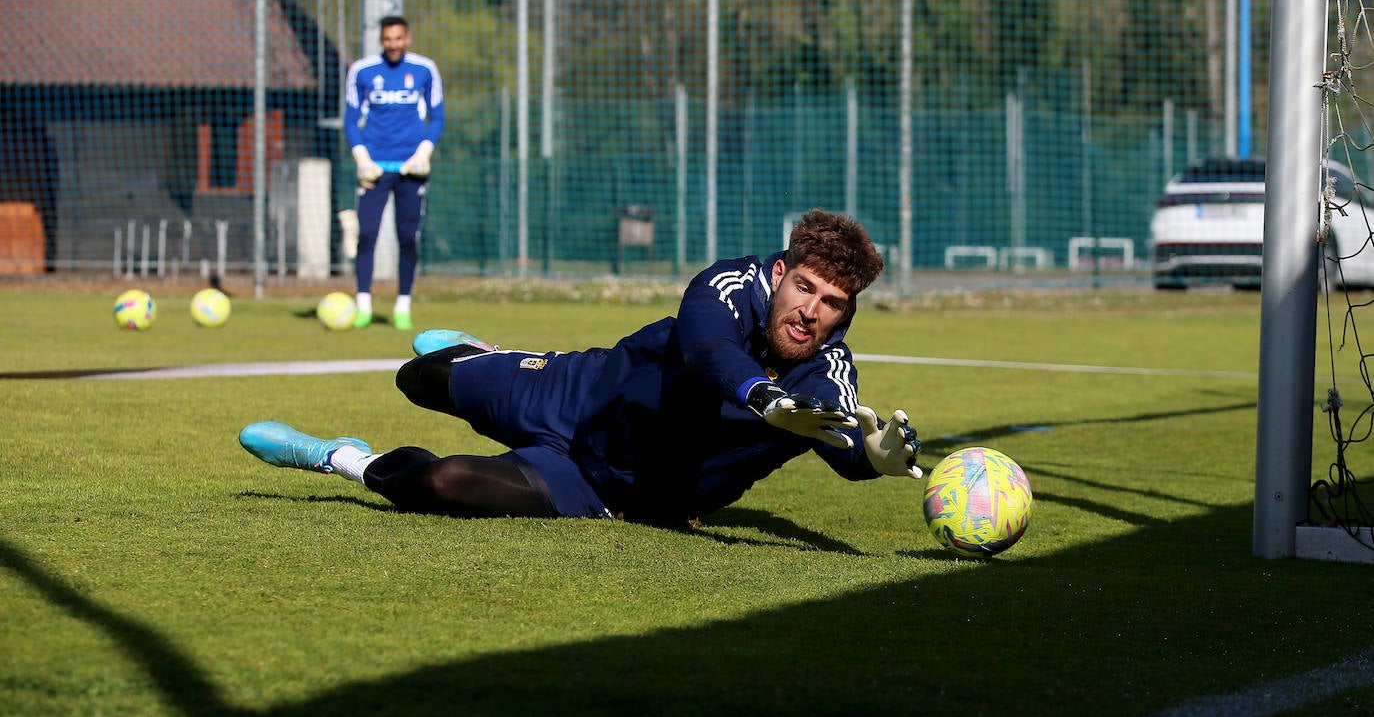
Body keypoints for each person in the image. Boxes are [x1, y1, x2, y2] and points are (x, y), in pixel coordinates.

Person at [239, 209, 922, 525]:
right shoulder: (730, 285)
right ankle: (486, 356)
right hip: (574, 390)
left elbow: (842, 434)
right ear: (779, 272)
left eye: (834, 302)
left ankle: (340, 458)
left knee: (446, 483)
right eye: (805, 287)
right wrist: (757, 395)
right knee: (419, 378)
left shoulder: (827, 371)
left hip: (601, 486)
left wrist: (872, 459)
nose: (812, 311)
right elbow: (709, 349)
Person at [342, 14, 445, 331]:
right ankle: (363, 305)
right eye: (388, 39)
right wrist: (362, 158)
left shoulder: (424, 69)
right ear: (381, 40)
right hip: (375, 167)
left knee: (408, 238)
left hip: (411, 169)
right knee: (367, 235)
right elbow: (350, 118)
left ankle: (403, 305)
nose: (393, 44)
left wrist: (423, 153)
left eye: (398, 38)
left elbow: (437, 116)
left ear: (407, 38)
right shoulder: (362, 71)